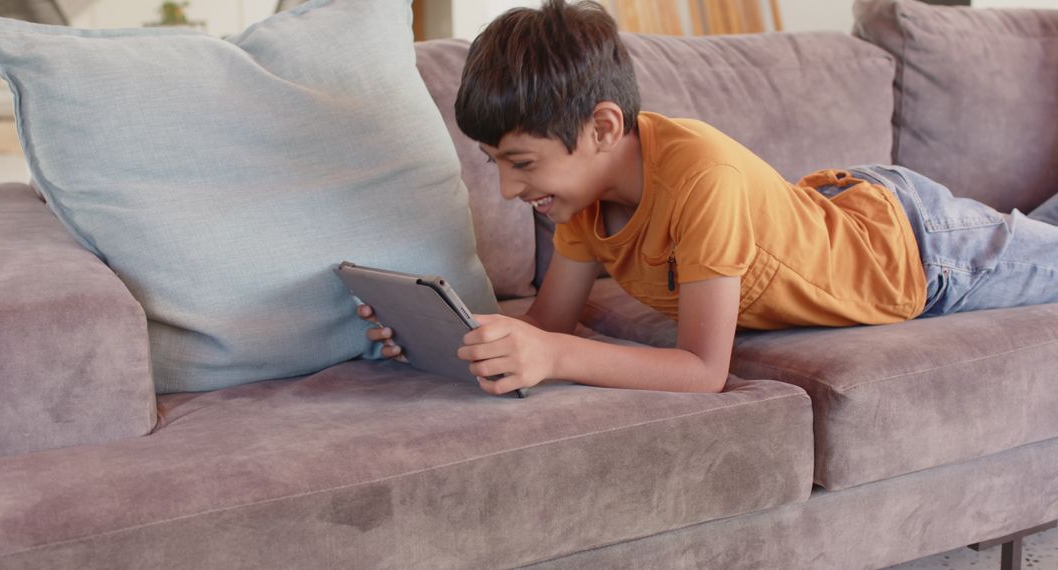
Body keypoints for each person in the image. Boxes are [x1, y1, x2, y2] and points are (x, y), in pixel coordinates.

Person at [360, 0, 1058, 396]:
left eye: (521, 164)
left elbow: (701, 371)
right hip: (852, 207)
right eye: (495, 165)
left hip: (919, 247)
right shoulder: (577, 204)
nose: (511, 190)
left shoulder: (700, 178)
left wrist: (553, 359)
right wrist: (449, 336)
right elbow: (551, 320)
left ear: (603, 127)